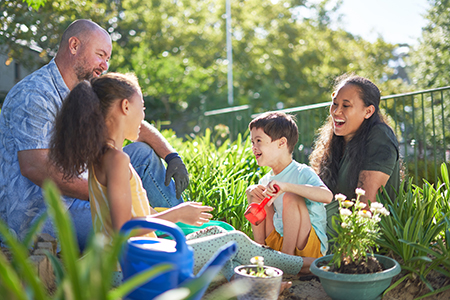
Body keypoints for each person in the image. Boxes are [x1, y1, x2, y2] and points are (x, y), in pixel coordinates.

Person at [49, 72, 305, 286]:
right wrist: (177, 214)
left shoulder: (101, 156)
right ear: (126, 106)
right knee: (232, 240)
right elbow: (122, 230)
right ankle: (307, 266)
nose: (143, 116)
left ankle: (261, 286)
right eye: (143, 107)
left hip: (132, 259)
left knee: (216, 233)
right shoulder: (116, 160)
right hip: (130, 267)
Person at [0, 19, 187, 251]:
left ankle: (187, 228)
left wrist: (172, 157)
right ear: (74, 45)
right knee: (128, 223)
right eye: (100, 55)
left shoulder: (90, 90)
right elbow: (36, 167)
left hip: (88, 191)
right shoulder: (33, 95)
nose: (105, 65)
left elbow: (131, 121)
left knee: (142, 153)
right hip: (48, 215)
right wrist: (113, 192)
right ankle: (175, 235)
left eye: (107, 59)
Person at [309, 74, 401, 244]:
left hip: (360, 232)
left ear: (368, 111)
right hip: (330, 224)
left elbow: (366, 202)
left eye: (346, 105)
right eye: (335, 104)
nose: (336, 111)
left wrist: (355, 254)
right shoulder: (336, 140)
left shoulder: (380, 136)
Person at [246, 112, 333, 274]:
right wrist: (250, 193)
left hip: (306, 244)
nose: (254, 147)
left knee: (291, 197)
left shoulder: (302, 172)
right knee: (256, 193)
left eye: (258, 141)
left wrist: (286, 187)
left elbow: (327, 196)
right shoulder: (266, 180)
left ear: (281, 143)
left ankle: (287, 260)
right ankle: (260, 251)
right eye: (252, 142)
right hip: (279, 240)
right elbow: (258, 211)